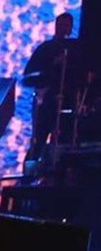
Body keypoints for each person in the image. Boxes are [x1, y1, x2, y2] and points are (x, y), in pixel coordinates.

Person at [22, 12, 82, 177]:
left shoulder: (75, 49)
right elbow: (29, 75)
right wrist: (52, 65)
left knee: (65, 142)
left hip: (67, 101)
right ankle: (28, 177)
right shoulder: (45, 48)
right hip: (47, 102)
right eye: (60, 25)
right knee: (39, 140)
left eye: (66, 25)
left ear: (70, 28)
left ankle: (60, 177)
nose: (63, 28)